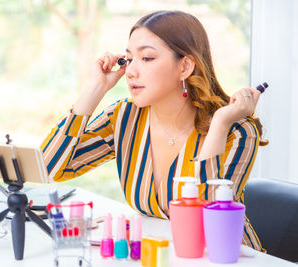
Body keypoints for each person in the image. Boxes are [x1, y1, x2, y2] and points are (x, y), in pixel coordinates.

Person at [40, 10, 268, 252]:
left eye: (147, 58)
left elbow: (209, 225)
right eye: (128, 59)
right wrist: (96, 88)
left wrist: (219, 125)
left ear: (185, 67)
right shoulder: (125, 117)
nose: (130, 71)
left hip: (229, 258)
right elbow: (50, 168)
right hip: (163, 256)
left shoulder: (237, 130)